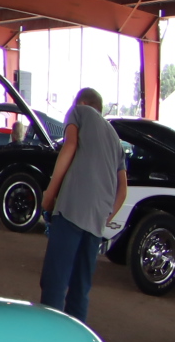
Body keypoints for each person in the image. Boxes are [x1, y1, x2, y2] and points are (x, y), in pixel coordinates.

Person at [39, 86, 129, 323]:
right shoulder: (115, 139)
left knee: (55, 283)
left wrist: (50, 194)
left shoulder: (78, 112)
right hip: (96, 223)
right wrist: (106, 217)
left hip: (71, 209)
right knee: (80, 290)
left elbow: (69, 145)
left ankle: (48, 339)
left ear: (82, 103)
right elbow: (123, 189)